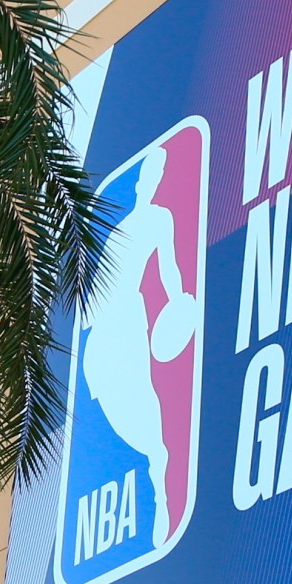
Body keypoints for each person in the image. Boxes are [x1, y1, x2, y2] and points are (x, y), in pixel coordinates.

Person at [79, 143, 198, 542]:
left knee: (157, 441)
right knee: (155, 442)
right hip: (114, 338)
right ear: (145, 180)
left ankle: (162, 513)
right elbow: (169, 279)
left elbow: (171, 276)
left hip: (115, 336)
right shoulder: (140, 222)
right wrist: (181, 305)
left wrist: (180, 308)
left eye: (158, 173)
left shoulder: (143, 222)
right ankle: (160, 512)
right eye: (151, 173)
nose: (153, 180)